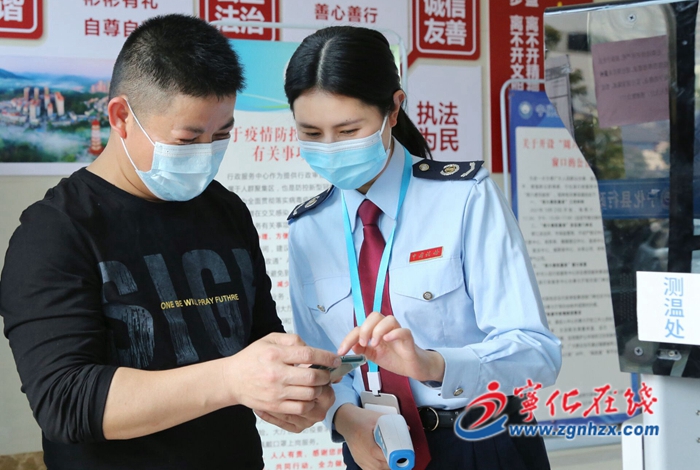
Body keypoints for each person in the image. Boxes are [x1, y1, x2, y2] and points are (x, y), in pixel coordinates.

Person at [0, 15, 340, 470]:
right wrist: (231, 379)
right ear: (121, 117)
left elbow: (259, 339)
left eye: (221, 135)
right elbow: (66, 400)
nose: (207, 153)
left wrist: (295, 389)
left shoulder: (225, 210)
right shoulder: (55, 232)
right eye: (188, 138)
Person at [284, 26, 562, 470]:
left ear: (393, 109)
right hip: (373, 445)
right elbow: (323, 366)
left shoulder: (464, 198)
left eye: (349, 129)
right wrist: (346, 421)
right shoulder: (308, 228)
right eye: (311, 133)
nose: (330, 149)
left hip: (481, 440)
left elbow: (536, 354)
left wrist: (432, 365)